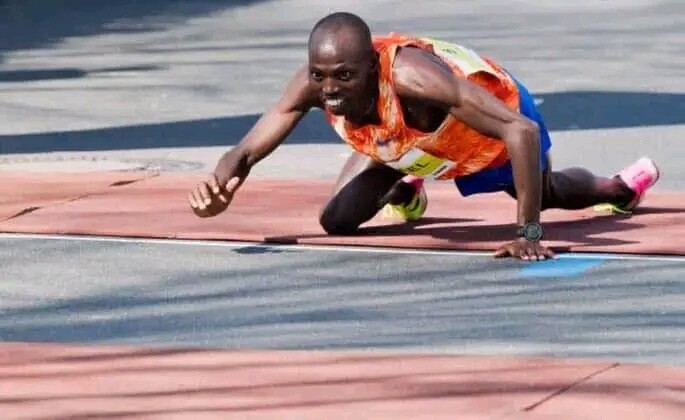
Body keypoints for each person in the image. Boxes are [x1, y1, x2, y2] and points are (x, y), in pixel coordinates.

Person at [187, 11, 659, 261]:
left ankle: (622, 187)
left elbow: (523, 131)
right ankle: (407, 189)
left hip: (488, 130)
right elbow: (249, 147)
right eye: (320, 75)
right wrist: (220, 184)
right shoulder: (314, 83)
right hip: (403, 144)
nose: (329, 90)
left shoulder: (414, 79)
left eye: (344, 76)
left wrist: (529, 234)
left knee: (543, 192)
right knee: (337, 221)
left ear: (372, 67)